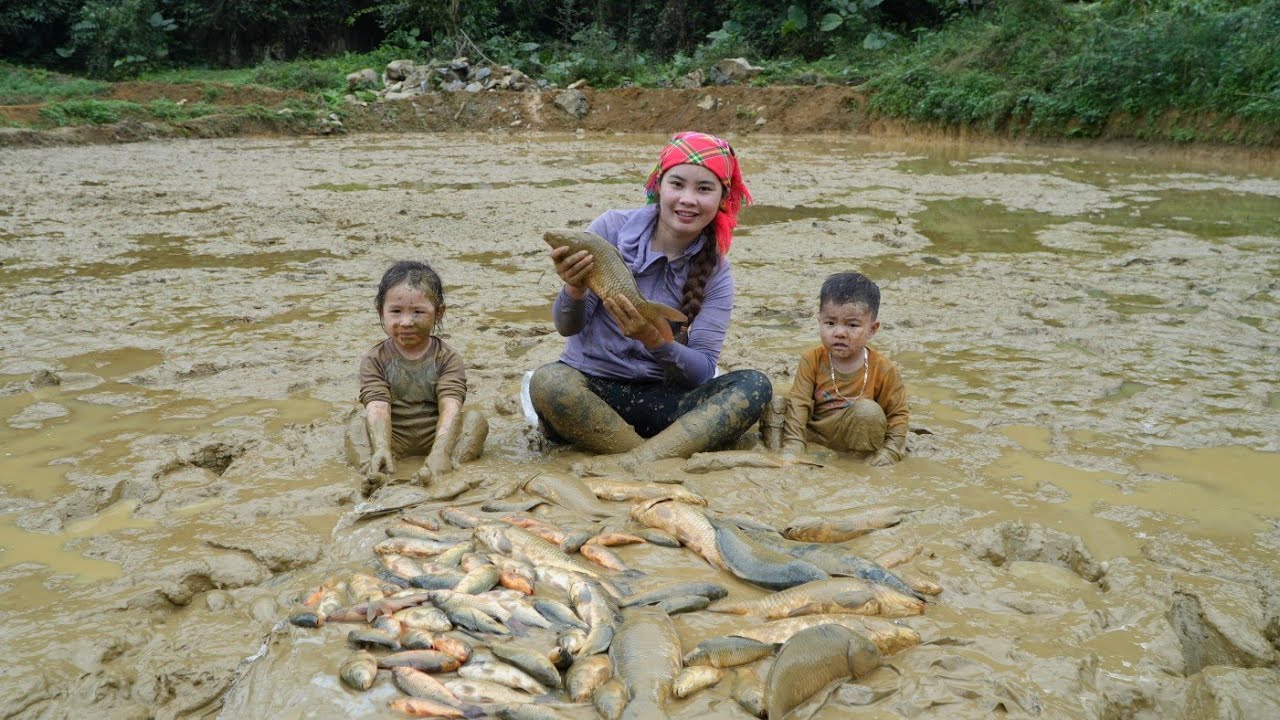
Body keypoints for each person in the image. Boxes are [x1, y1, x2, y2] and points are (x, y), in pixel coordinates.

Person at [528, 131, 772, 467]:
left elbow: (702, 372)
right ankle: (656, 457)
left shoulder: (716, 271)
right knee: (549, 381)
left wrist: (656, 341)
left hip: (665, 404)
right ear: (659, 186)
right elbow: (567, 327)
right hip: (595, 392)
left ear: (722, 199)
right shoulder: (611, 228)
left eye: (704, 189)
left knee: (754, 386)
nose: (688, 199)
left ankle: (639, 459)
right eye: (677, 184)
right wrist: (574, 289)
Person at [345, 260, 487, 492]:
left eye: (418, 312)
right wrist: (381, 447)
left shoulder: (447, 357)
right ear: (380, 311)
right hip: (393, 438)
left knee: (475, 421)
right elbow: (378, 406)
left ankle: (445, 466)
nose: (406, 322)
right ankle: (374, 473)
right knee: (355, 426)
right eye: (396, 311)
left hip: (437, 436)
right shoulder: (375, 359)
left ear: (439, 313)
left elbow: (450, 406)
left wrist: (441, 451)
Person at [781, 272, 908, 466]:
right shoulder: (812, 359)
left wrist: (890, 451)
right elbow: (799, 404)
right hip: (816, 435)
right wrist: (793, 448)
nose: (839, 333)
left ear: (872, 329)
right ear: (819, 321)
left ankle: (854, 464)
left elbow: (897, 415)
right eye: (830, 323)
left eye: (852, 325)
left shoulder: (884, 368)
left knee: (868, 412)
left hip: (857, 436)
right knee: (776, 405)